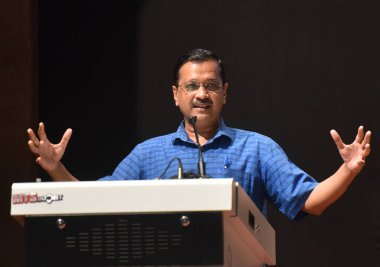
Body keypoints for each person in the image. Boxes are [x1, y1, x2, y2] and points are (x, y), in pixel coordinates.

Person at [27, 48, 371, 220]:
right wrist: (56, 169)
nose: (201, 94)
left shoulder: (257, 147)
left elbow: (309, 201)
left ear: (225, 92)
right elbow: (95, 202)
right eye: (192, 86)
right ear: (175, 94)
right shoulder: (148, 154)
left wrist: (348, 170)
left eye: (211, 85)